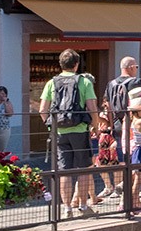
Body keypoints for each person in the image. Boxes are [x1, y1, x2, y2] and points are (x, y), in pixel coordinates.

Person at [38, 50, 99, 219]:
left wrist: (51, 126)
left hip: (59, 132)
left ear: (60, 65)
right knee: (84, 169)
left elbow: (43, 110)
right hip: (79, 129)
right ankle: (83, 206)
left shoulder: (52, 82)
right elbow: (92, 107)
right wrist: (95, 126)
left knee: (64, 170)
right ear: (76, 64)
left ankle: (67, 209)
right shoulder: (84, 81)